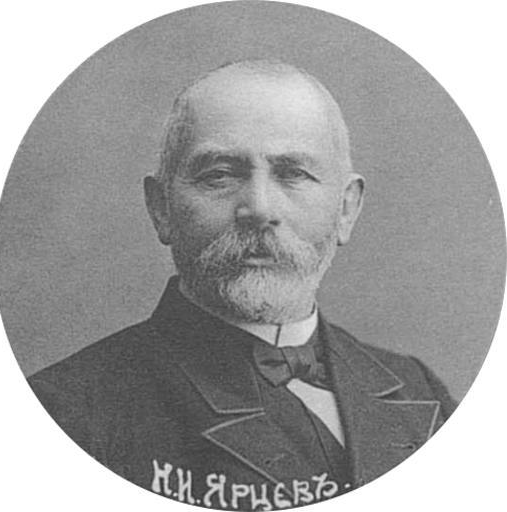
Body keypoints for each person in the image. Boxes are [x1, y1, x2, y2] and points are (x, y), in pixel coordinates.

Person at [28, 60, 457, 510]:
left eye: (293, 173)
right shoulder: (65, 413)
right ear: (161, 209)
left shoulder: (420, 390)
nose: (259, 208)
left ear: (346, 209)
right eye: (220, 174)